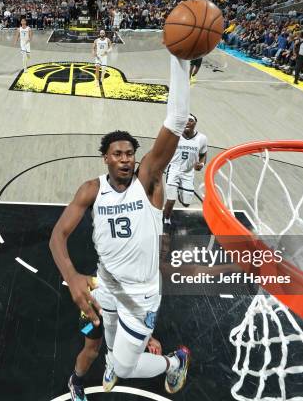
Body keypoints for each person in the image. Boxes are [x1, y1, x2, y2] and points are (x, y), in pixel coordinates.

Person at [50, 55, 192, 399]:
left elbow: (175, 120)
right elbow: (58, 236)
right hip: (108, 283)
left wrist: (179, 60)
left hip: (141, 294)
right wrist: (71, 277)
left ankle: (175, 362)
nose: (126, 158)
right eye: (118, 153)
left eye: (130, 153)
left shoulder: (147, 182)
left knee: (127, 367)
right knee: (108, 338)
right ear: (106, 157)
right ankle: (119, 355)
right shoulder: (91, 189)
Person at [70, 276, 163, 401]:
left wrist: (149, 338)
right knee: (91, 351)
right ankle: (75, 382)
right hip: (92, 311)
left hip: (120, 306)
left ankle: (111, 363)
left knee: (121, 340)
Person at [162, 114, 207, 231]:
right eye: (185, 120)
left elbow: (203, 154)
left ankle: (180, 191)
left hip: (188, 172)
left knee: (186, 203)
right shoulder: (174, 136)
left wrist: (201, 164)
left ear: (195, 123)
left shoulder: (202, 138)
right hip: (174, 170)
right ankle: (166, 218)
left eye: (190, 120)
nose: (187, 122)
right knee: (171, 199)